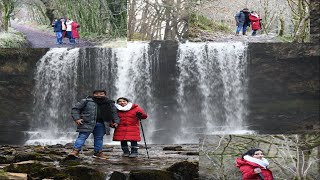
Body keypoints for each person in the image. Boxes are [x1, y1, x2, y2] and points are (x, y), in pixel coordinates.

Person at [69, 90, 120, 159]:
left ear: (105, 95)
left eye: (101, 94)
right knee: (82, 137)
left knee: (99, 138)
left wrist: (116, 122)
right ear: (93, 94)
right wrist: (77, 119)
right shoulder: (86, 101)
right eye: (97, 94)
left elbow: (114, 113)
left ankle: (98, 153)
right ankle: (75, 151)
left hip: (102, 123)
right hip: (87, 122)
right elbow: (75, 109)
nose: (99, 95)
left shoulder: (110, 103)